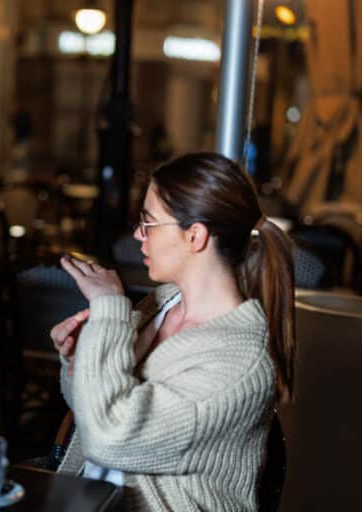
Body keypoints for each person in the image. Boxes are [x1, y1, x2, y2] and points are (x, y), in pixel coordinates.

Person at [50, 152, 295, 511]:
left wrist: (108, 306)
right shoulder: (161, 304)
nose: (138, 235)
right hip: (93, 499)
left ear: (195, 235)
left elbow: (109, 438)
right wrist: (78, 360)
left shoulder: (239, 364)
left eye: (148, 222)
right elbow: (92, 409)